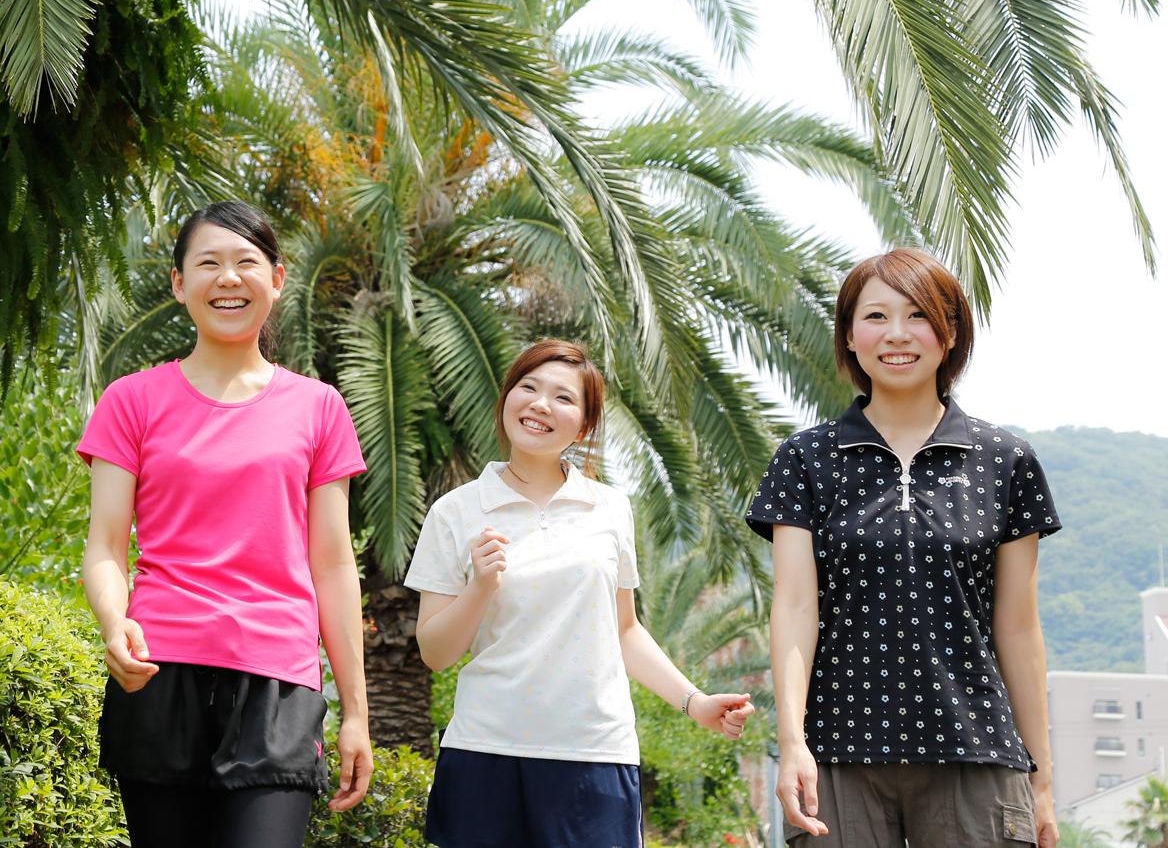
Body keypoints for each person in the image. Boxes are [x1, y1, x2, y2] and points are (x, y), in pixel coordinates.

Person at [79, 201, 374, 848]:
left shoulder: (319, 408)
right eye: (207, 263)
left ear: (278, 278)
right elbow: (104, 545)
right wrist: (113, 621)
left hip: (279, 680)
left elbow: (332, 563)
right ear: (180, 283)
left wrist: (356, 710)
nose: (228, 278)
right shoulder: (131, 399)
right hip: (159, 670)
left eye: (246, 262)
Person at [747, 249, 1062, 848]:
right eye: (875, 317)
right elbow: (793, 609)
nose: (896, 335)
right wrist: (792, 744)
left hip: (978, 755)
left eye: (918, 315)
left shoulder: (1006, 460)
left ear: (950, 335)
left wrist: (1042, 779)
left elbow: (1019, 629)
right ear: (849, 336)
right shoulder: (805, 460)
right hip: (838, 755)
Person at [406, 339, 755, 848]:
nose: (540, 405)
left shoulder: (610, 508)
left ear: (586, 425)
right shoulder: (456, 511)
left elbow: (625, 630)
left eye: (563, 398)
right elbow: (435, 653)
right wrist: (479, 587)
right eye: (528, 387)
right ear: (507, 398)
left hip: (594, 755)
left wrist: (694, 702)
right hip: (485, 750)